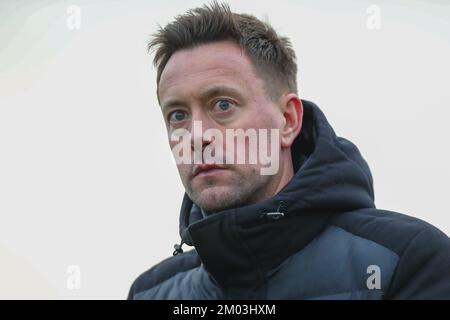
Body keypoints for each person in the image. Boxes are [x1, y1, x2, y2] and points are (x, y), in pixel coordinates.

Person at [128, 2, 450, 299]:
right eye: (178, 116)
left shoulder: (406, 260)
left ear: (288, 119)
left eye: (222, 105)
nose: (196, 137)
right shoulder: (150, 293)